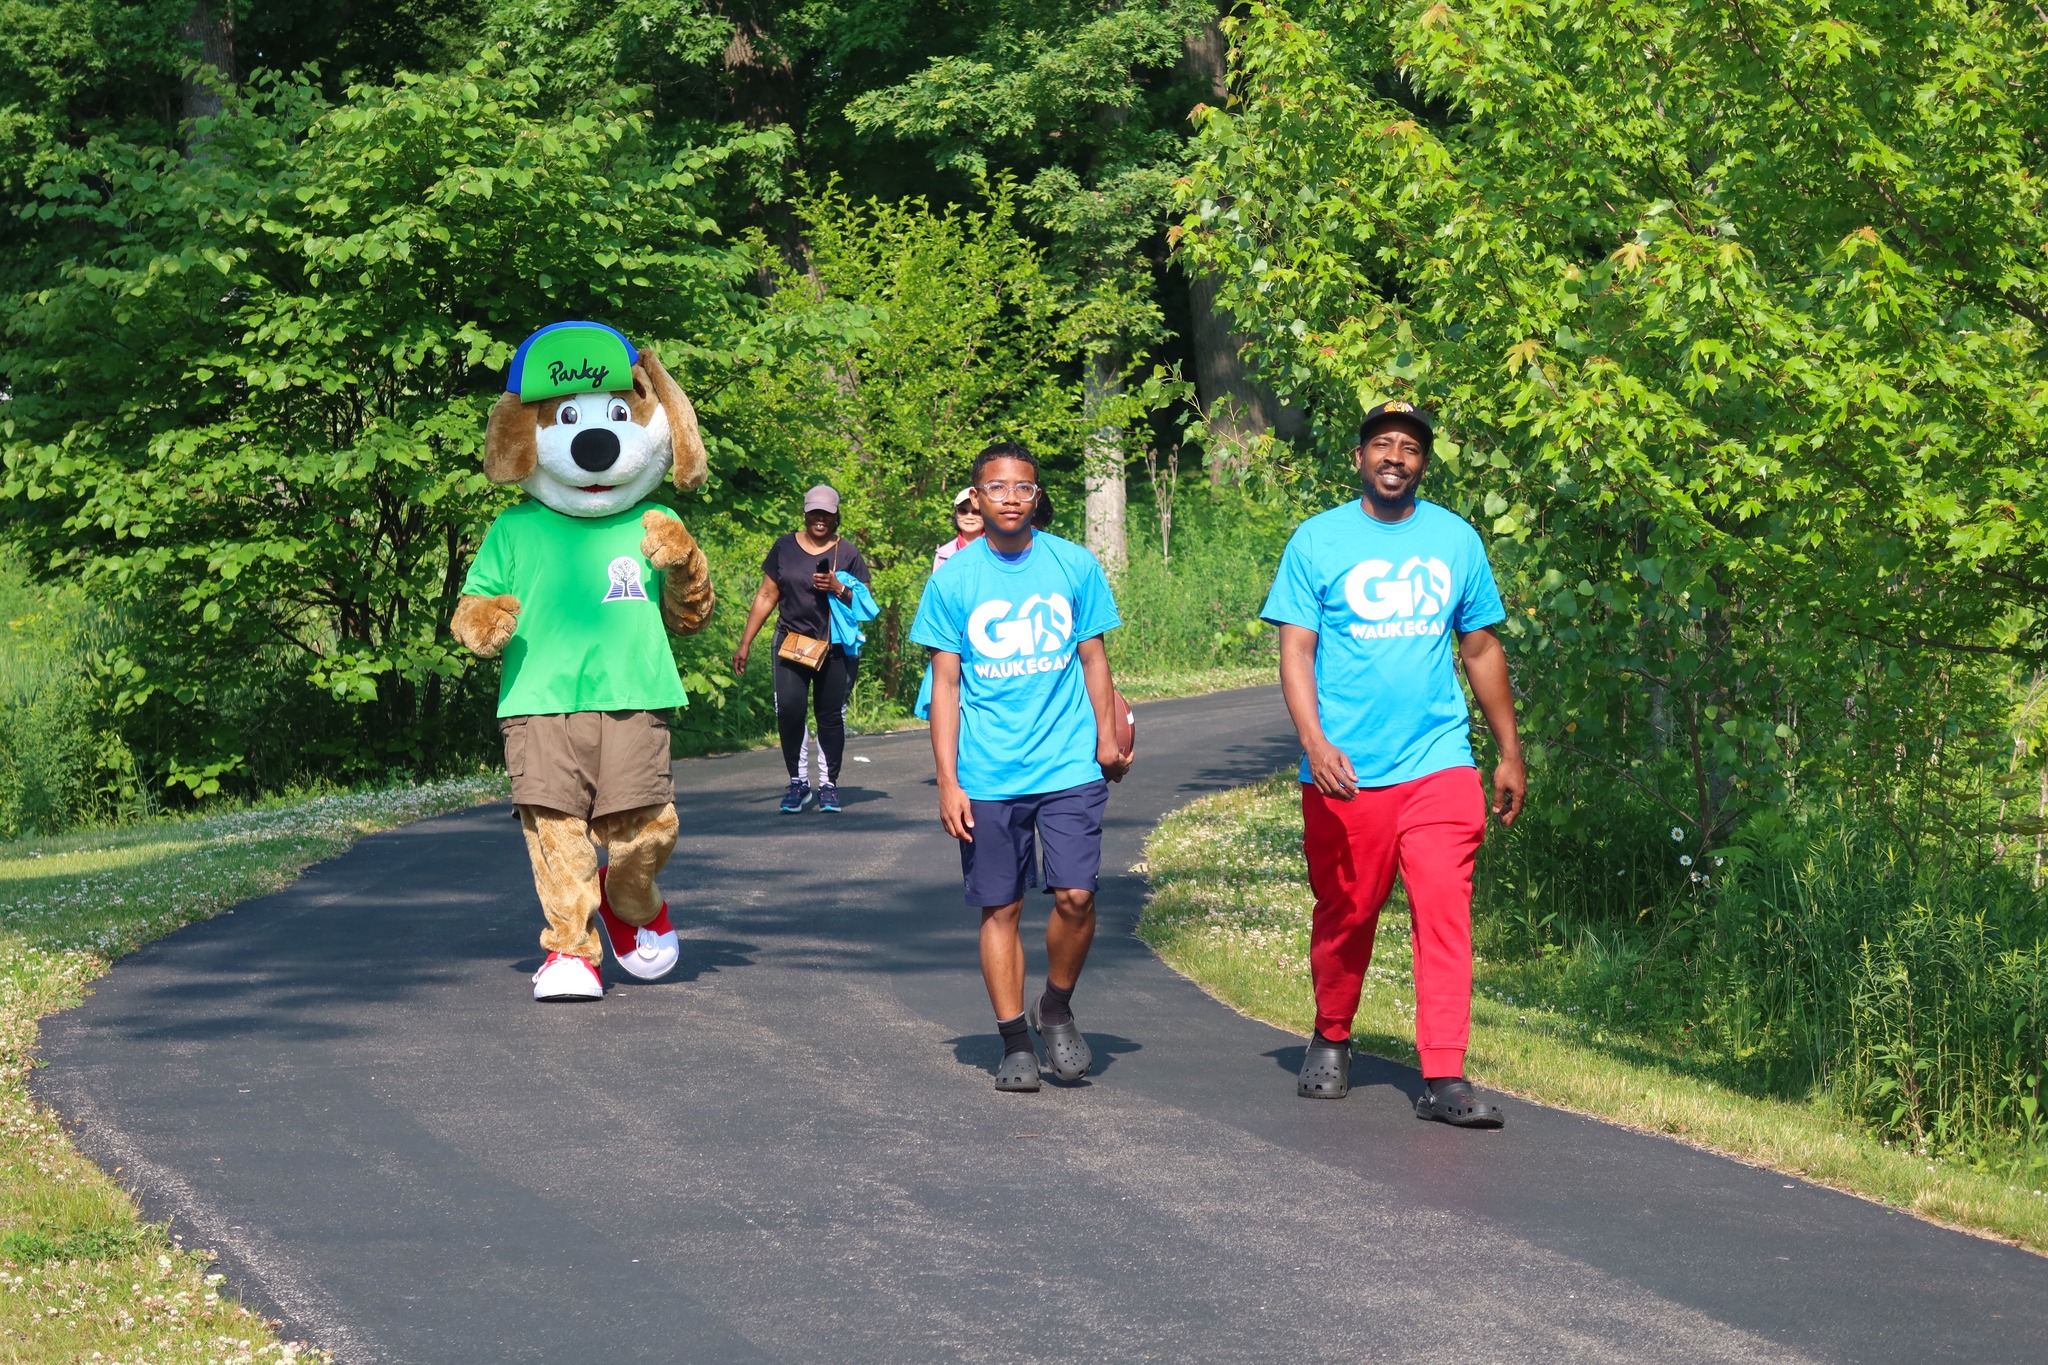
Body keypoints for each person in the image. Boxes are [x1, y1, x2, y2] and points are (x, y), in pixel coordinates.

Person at [1258, 400, 1527, 1126]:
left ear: (1423, 464)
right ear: (1359, 457)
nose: (1395, 457)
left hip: (1439, 762)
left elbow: (1480, 647)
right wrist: (1315, 742)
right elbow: (1296, 650)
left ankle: (1444, 1076)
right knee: (1347, 912)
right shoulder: (1317, 540)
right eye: (1383, 444)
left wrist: (1508, 751)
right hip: (1346, 771)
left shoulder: (1456, 539)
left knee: (1444, 912)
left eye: (1409, 447)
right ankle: (1332, 1032)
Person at [910, 441, 1132, 1092]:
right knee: (1000, 907)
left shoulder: (1074, 564)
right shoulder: (953, 580)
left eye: (1023, 487)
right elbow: (945, 685)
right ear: (975, 499)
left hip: (1069, 763)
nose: (1010, 498)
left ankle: (1055, 1006)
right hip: (988, 773)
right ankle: (1013, 1042)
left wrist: (1107, 737)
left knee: (1077, 895)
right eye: (997, 488)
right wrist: (949, 781)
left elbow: (1093, 658)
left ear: (1038, 496)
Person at [732, 484, 873, 814]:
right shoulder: (784, 547)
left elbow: (866, 604)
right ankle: (798, 783)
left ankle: (828, 785)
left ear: (836, 516)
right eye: (814, 513)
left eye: (826, 513)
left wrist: (838, 587)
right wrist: (745, 643)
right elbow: (767, 595)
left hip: (834, 647)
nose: (819, 519)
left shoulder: (848, 553)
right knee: (790, 711)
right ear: (805, 514)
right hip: (791, 643)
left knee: (830, 716)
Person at [932, 486, 984, 571]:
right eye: (963, 511)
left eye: (977, 512)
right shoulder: (943, 555)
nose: (969, 516)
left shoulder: (1000, 549)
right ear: (956, 515)